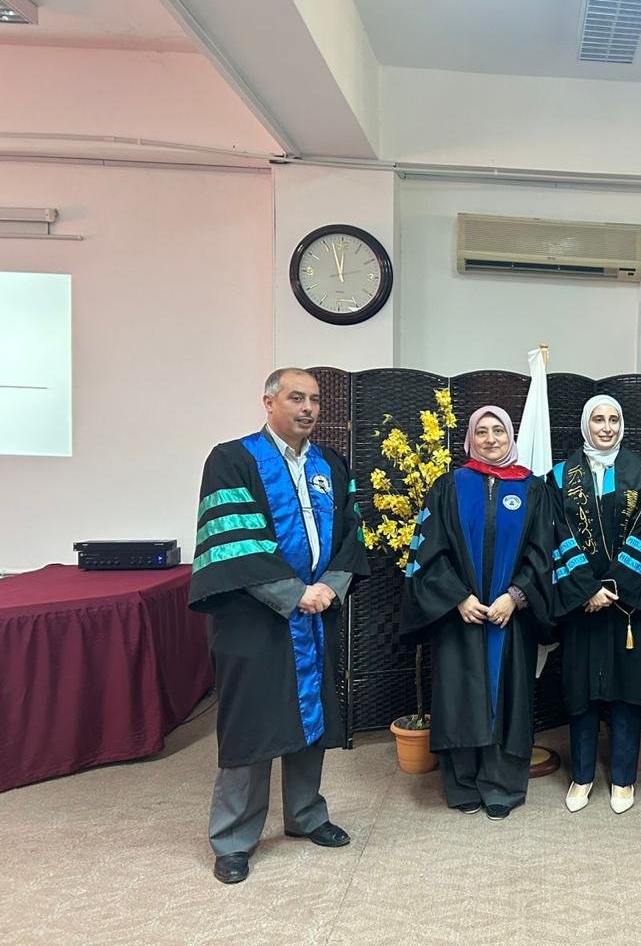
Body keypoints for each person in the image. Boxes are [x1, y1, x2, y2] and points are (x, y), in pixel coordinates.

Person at [189, 367, 369, 885]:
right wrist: (294, 594)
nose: (308, 408)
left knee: (312, 717)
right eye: (296, 397)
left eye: (314, 399)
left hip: (316, 614)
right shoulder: (233, 459)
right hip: (254, 617)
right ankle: (233, 838)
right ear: (269, 402)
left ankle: (306, 814)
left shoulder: (330, 463)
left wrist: (330, 586)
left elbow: (351, 533)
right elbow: (236, 540)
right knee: (251, 724)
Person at [400, 405, 554, 820]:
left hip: (510, 618)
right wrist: (457, 597)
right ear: (470, 439)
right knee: (459, 696)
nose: (490, 439)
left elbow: (543, 552)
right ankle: (463, 782)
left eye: (498, 431)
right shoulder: (448, 487)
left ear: (510, 437)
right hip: (459, 617)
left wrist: (516, 596)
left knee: (508, 698)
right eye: (481, 432)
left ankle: (502, 784)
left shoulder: (533, 488)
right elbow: (428, 552)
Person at [548, 395, 641, 815]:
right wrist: (586, 590)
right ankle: (582, 776)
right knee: (583, 691)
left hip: (628, 605)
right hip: (584, 606)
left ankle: (624, 777)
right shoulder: (561, 476)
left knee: (627, 692)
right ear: (586, 425)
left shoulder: (640, 472)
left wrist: (611, 587)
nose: (607, 427)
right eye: (598, 419)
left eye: (614, 419)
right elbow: (557, 533)